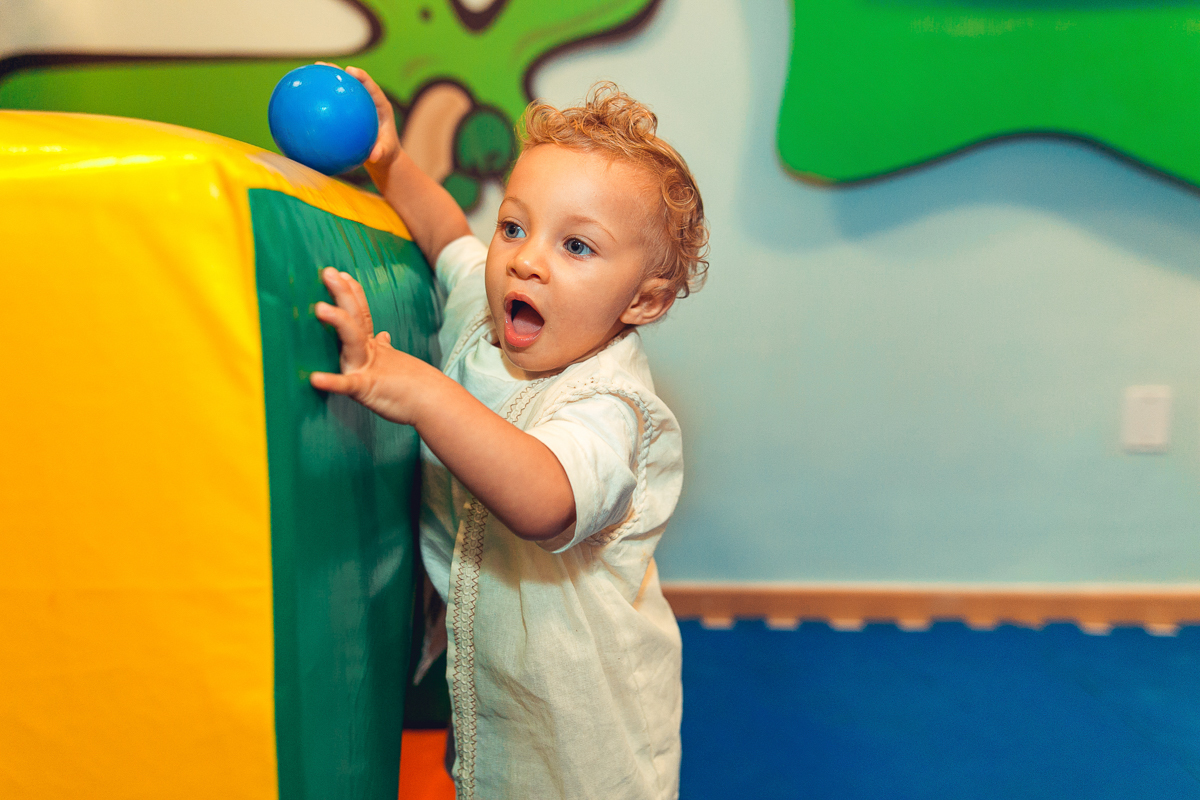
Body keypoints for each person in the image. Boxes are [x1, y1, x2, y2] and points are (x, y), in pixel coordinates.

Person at [309, 65, 708, 800]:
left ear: (644, 300)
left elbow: (544, 499)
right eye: (516, 226)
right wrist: (391, 163)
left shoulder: (612, 407)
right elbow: (445, 235)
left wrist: (423, 392)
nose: (526, 259)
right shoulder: (487, 314)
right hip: (496, 705)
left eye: (576, 247)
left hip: (589, 742)